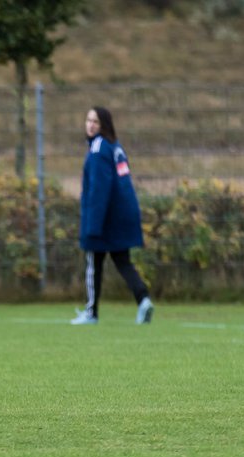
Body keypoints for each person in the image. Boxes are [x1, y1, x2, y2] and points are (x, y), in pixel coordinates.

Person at [72, 106, 155, 326]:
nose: (90, 125)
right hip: (122, 213)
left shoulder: (98, 149)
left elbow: (100, 188)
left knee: (94, 263)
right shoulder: (114, 147)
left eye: (95, 122)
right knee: (122, 261)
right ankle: (143, 299)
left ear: (104, 126)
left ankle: (91, 313)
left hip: (106, 216)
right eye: (88, 120)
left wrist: (93, 225)